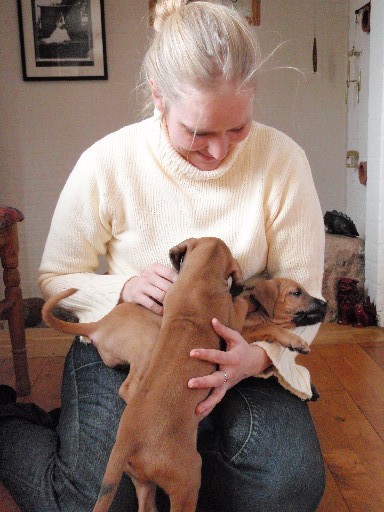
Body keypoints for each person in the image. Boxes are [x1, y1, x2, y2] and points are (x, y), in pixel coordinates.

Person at [0, 1, 326, 510]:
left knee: (288, 488)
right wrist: (122, 288)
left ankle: (183, 448)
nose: (220, 152)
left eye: (237, 128)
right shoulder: (108, 161)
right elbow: (57, 276)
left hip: (238, 354)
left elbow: (307, 300)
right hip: (133, 346)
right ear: (158, 98)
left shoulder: (283, 162)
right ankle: (8, 421)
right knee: (89, 500)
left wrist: (254, 358)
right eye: (198, 133)